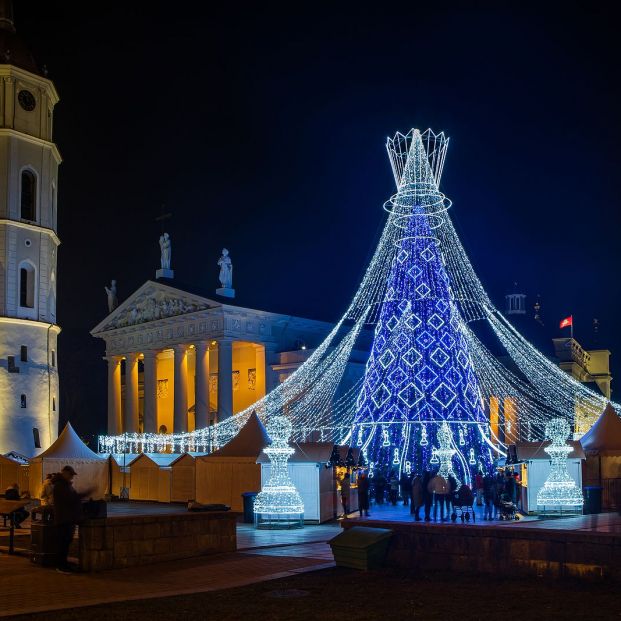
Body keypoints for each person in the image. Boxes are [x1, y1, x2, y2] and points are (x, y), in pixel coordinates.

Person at [53, 465, 95, 574]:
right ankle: (61, 566)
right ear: (65, 473)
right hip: (64, 519)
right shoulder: (60, 486)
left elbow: (73, 498)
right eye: (70, 475)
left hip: (68, 519)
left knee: (66, 543)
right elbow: (71, 499)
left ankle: (64, 564)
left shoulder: (65, 485)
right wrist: (86, 493)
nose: (72, 477)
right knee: (62, 544)